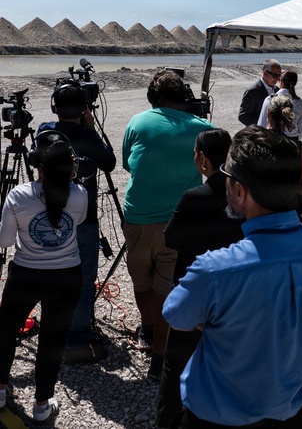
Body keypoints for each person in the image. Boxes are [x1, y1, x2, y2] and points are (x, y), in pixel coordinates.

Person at [163, 126, 302, 428]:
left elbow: (176, 315)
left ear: (240, 190)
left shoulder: (215, 269)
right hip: (288, 412)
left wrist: (218, 321)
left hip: (217, 417)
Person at [0, 131, 86, 424]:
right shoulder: (81, 195)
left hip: (27, 273)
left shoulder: (18, 196)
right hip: (67, 275)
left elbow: (4, 242)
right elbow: (74, 223)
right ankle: (42, 403)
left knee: (7, 329)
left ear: (35, 163)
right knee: (52, 338)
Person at [122, 70, 214, 379]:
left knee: (142, 282)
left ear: (153, 97)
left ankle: (149, 331)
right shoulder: (203, 129)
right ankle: (160, 356)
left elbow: (126, 163)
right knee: (166, 290)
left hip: (139, 219)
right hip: (180, 221)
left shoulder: (137, 122)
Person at [156, 128, 242, 428]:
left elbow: (171, 238)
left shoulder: (194, 197)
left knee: (177, 361)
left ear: (202, 159)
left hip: (195, 287)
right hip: (236, 289)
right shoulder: (244, 194)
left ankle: (168, 420)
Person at [36, 82, 116, 363]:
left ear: (54, 107)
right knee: (82, 282)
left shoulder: (45, 132)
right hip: (85, 219)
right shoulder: (88, 136)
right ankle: (77, 338)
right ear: (84, 109)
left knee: (51, 276)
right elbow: (109, 163)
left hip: (48, 216)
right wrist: (90, 128)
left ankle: (53, 332)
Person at [258, 70, 302, 139]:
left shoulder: (270, 99)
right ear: (295, 84)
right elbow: (300, 127)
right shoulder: (300, 103)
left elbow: (261, 125)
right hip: (293, 140)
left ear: (281, 81)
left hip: (274, 139)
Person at [238, 59, 281, 127]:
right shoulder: (252, 91)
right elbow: (243, 116)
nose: (277, 79)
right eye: (275, 75)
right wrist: (261, 126)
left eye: (279, 76)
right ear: (265, 73)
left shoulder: (278, 90)